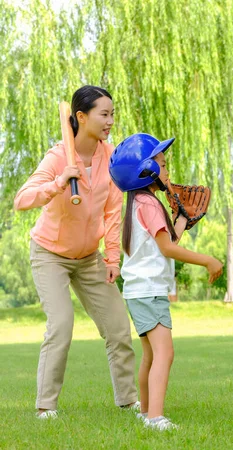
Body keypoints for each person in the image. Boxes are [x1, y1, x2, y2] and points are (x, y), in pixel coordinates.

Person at [14, 85, 139, 418]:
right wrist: (58, 183)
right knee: (62, 324)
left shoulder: (110, 156)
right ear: (81, 117)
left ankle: (128, 400)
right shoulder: (58, 157)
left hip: (88, 258)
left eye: (113, 114)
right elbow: (22, 200)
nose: (111, 121)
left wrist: (113, 259)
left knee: (117, 327)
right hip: (50, 254)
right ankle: (46, 407)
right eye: (104, 114)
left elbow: (113, 210)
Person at [108, 133, 223, 431]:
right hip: (149, 292)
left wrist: (181, 217)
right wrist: (208, 259)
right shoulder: (149, 204)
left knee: (150, 354)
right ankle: (155, 418)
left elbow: (167, 239)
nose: (167, 169)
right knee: (165, 353)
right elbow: (168, 248)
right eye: (162, 163)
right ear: (147, 171)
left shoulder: (141, 203)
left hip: (139, 292)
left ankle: (146, 410)